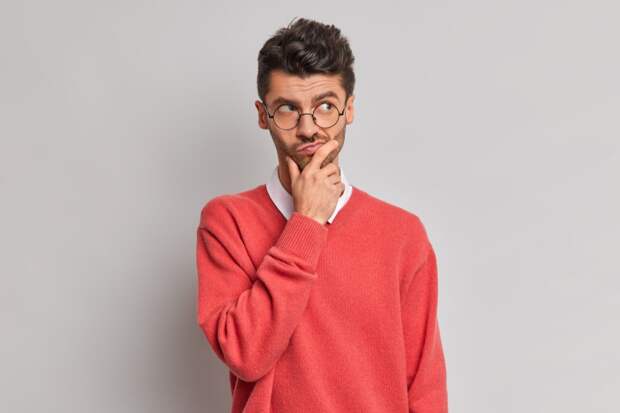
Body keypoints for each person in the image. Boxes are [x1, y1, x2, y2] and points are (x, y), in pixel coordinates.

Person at [195, 17, 448, 413]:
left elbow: (425, 384)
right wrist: (306, 223)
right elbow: (246, 354)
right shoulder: (228, 223)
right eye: (288, 110)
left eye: (325, 106)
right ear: (263, 116)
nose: (309, 128)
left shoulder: (402, 234)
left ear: (349, 109)